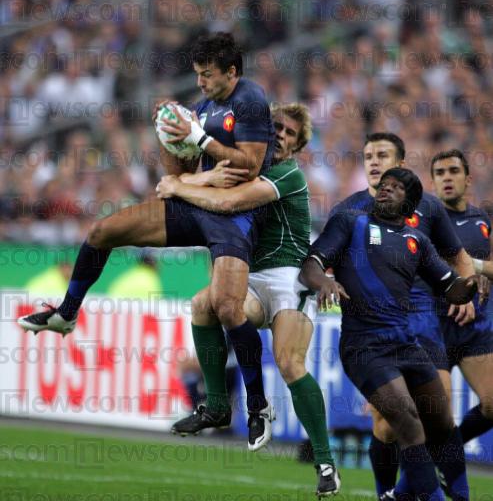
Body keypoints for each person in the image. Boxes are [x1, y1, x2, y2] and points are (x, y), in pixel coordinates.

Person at [17, 32, 276, 443]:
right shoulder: (204, 107)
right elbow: (176, 177)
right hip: (198, 204)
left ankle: (257, 405)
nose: (200, 83)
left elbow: (250, 165)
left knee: (227, 308)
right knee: (103, 231)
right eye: (197, 75)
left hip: (236, 214)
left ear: (231, 72)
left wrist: (199, 139)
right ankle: (66, 313)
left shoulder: (250, 100)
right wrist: (168, 135)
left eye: (207, 75)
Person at [156, 103, 340, 496]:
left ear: (297, 146)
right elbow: (200, 191)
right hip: (251, 277)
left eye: (290, 133)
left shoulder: (287, 173)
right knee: (204, 303)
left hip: (289, 278)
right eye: (276, 128)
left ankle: (325, 462)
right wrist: (186, 168)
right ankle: (216, 406)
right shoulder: (243, 166)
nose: (281, 136)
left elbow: (227, 202)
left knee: (289, 364)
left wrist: (180, 184)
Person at [300, 168, 478, 500]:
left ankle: (409, 495)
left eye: (396, 188)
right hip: (364, 346)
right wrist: (324, 281)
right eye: (384, 185)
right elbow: (310, 264)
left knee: (441, 424)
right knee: (408, 423)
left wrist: (470, 285)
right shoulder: (350, 222)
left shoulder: (418, 241)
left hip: (406, 343)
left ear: (409, 204)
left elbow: (451, 287)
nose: (385, 190)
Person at [431, 150, 493, 452]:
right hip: (434, 328)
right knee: (437, 414)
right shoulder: (424, 219)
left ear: (468, 179)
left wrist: (475, 268)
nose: (447, 178)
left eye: (453, 171)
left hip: (473, 329)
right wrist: (457, 286)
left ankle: (449, 452)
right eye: (440, 173)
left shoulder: (481, 220)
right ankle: (419, 472)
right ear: (433, 182)